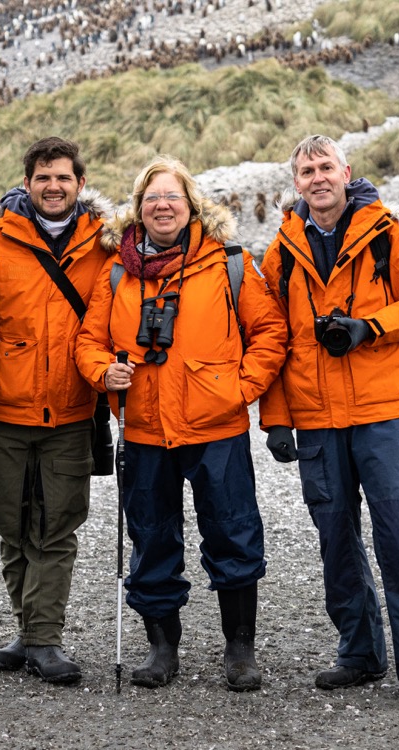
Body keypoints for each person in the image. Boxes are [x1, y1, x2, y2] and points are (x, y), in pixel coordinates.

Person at [75, 155, 286, 691]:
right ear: (138, 210)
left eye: (171, 197)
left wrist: (240, 390)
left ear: (190, 204)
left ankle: (239, 650)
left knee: (234, 535)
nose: (161, 206)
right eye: (151, 198)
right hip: (144, 427)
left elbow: (269, 333)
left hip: (217, 427)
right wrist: (104, 373)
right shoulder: (117, 270)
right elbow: (88, 341)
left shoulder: (227, 261)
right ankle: (161, 649)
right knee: (151, 539)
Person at [259, 134, 399, 702]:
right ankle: (360, 651)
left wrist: (370, 326)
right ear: (295, 183)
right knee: (336, 539)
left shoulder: (388, 231)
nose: (317, 178)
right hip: (316, 417)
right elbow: (275, 338)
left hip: (382, 412)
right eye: (306, 170)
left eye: (326, 167)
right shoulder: (282, 251)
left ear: (347, 171)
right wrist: (275, 418)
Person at [0, 136, 111, 684]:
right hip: (3, 407)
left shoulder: (105, 243)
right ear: (26, 183)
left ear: (80, 184)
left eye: (63, 178)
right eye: (42, 178)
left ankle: (42, 640)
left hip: (72, 410)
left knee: (56, 527)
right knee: (12, 524)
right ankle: (28, 629)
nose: (53, 187)